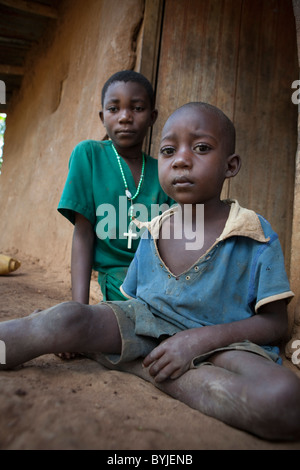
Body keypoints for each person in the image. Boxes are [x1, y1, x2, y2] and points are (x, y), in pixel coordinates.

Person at [1, 102, 300, 441]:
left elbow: (276, 322)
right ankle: (151, 361)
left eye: (201, 148)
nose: (182, 160)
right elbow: (129, 310)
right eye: (169, 150)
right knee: (66, 319)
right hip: (147, 326)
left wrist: (196, 341)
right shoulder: (153, 230)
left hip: (224, 347)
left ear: (230, 166)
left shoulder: (253, 234)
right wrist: (82, 324)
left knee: (285, 400)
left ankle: (141, 365)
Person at [57, 70, 174, 304]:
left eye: (137, 108)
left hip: (158, 283)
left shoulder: (163, 170)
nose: (125, 117)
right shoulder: (89, 155)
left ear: (152, 117)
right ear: (102, 117)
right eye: (114, 109)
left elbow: (173, 242)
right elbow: (83, 231)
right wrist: (79, 309)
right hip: (117, 282)